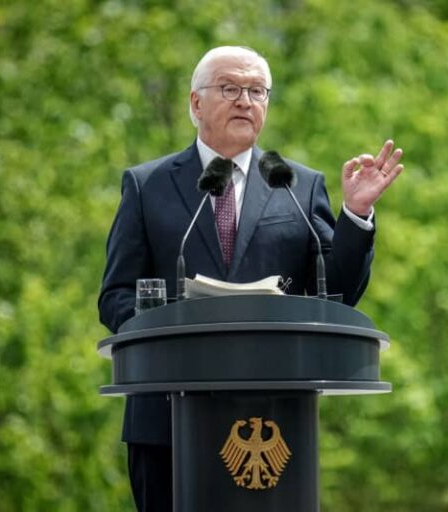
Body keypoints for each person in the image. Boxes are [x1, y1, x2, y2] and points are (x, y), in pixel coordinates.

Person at [98, 45, 403, 511]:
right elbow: (115, 296)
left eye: (257, 90)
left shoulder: (298, 186)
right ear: (195, 103)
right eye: (230, 88)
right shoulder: (147, 185)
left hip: (274, 422)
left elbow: (336, 291)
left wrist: (356, 214)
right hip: (166, 422)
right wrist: (159, 330)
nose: (245, 100)